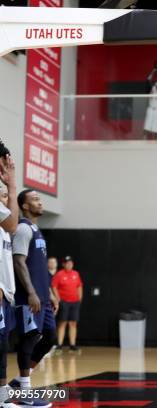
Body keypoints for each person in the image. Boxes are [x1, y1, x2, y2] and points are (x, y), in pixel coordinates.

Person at [10, 189, 57, 407]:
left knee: (49, 337)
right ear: (25, 206)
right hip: (29, 298)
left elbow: (38, 268)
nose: (40, 202)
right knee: (28, 339)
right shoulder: (22, 228)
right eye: (35, 199)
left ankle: (20, 381)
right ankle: (25, 392)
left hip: (43, 298)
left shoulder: (37, 229)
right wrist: (31, 293)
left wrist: (49, 293)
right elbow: (19, 262)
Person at [0, 143, 19, 406]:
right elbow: (14, 224)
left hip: (5, 291)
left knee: (2, 350)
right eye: (5, 161)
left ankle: (3, 399)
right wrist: (12, 185)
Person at [52, 256, 83, 351]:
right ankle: (59, 344)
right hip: (64, 302)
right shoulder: (59, 274)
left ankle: (72, 344)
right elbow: (54, 286)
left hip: (75, 302)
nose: (69, 264)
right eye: (67, 263)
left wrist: (80, 298)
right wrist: (58, 298)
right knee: (62, 323)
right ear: (63, 264)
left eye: (71, 263)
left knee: (73, 323)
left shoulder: (76, 274)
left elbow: (79, 286)